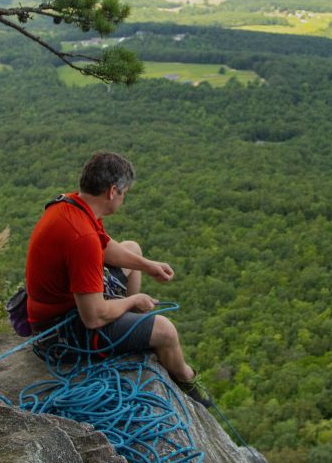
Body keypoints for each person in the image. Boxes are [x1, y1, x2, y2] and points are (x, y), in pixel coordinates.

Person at [24, 151, 213, 407]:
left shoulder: (71, 204)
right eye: (125, 193)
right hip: (61, 333)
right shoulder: (82, 238)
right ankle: (187, 380)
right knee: (166, 331)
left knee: (132, 248)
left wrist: (147, 266)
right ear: (113, 191)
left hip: (64, 306)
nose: (124, 198)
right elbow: (93, 317)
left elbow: (104, 247)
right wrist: (134, 300)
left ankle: (131, 328)